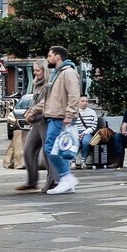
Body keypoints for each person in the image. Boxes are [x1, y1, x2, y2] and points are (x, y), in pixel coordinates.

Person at [41, 46, 84, 195]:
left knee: (51, 148)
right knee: (60, 149)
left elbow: (74, 95)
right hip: (56, 116)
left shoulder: (68, 73)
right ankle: (66, 182)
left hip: (61, 117)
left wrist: (69, 114)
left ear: (57, 57)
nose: (48, 58)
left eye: (49, 55)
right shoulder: (58, 74)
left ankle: (66, 177)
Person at [16, 61, 51, 193]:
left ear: (44, 71)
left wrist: (33, 113)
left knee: (48, 153)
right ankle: (31, 181)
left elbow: (45, 103)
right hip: (36, 122)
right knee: (28, 150)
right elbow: (35, 101)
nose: (35, 73)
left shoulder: (48, 85)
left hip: (45, 120)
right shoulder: (36, 83)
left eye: (38, 70)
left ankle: (52, 181)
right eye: (34, 70)